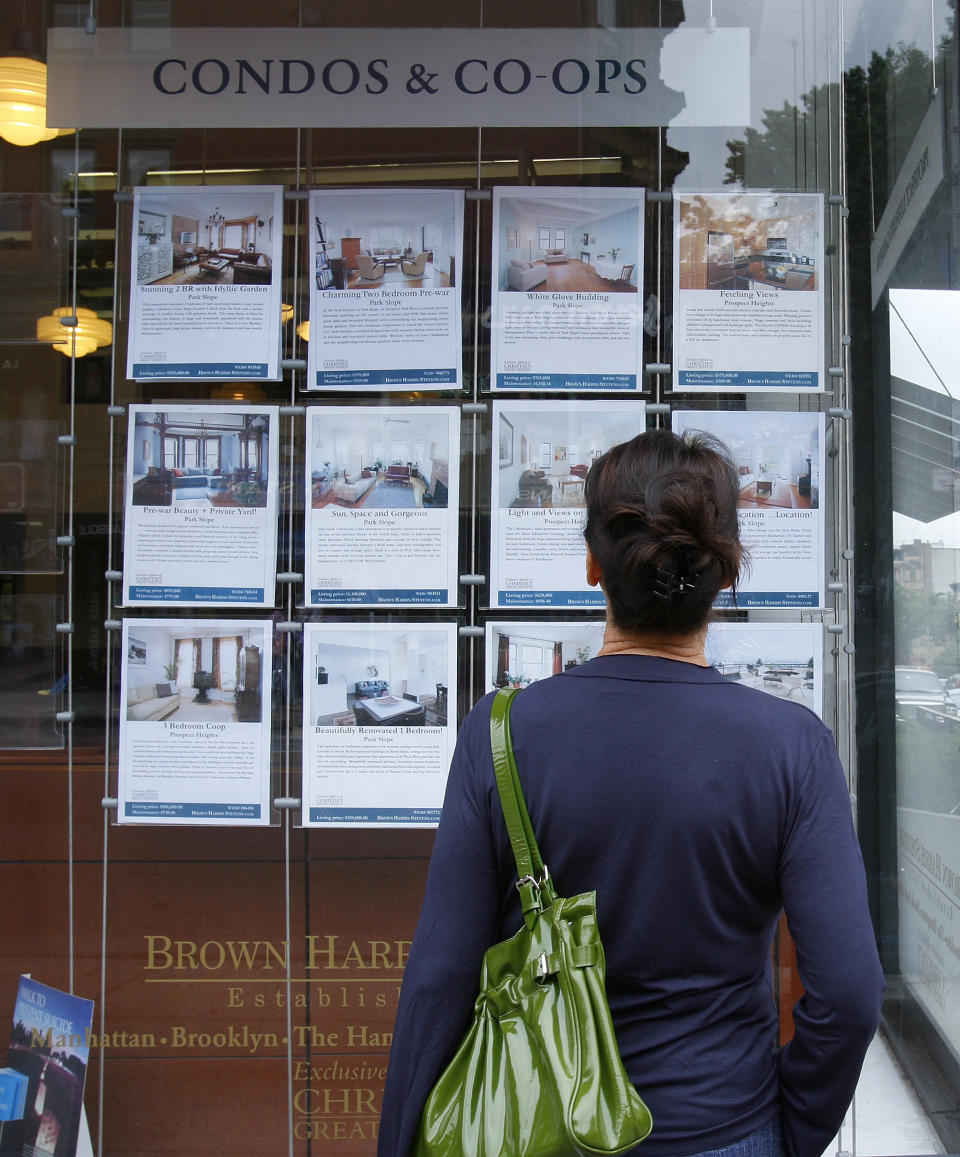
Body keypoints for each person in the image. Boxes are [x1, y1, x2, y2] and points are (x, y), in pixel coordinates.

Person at [378, 429, 884, 1157]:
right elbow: (852, 992)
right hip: (727, 1126)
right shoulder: (791, 745)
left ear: (592, 564)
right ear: (726, 574)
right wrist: (789, 1128)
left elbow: (439, 978)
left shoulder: (500, 735)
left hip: (538, 1127)